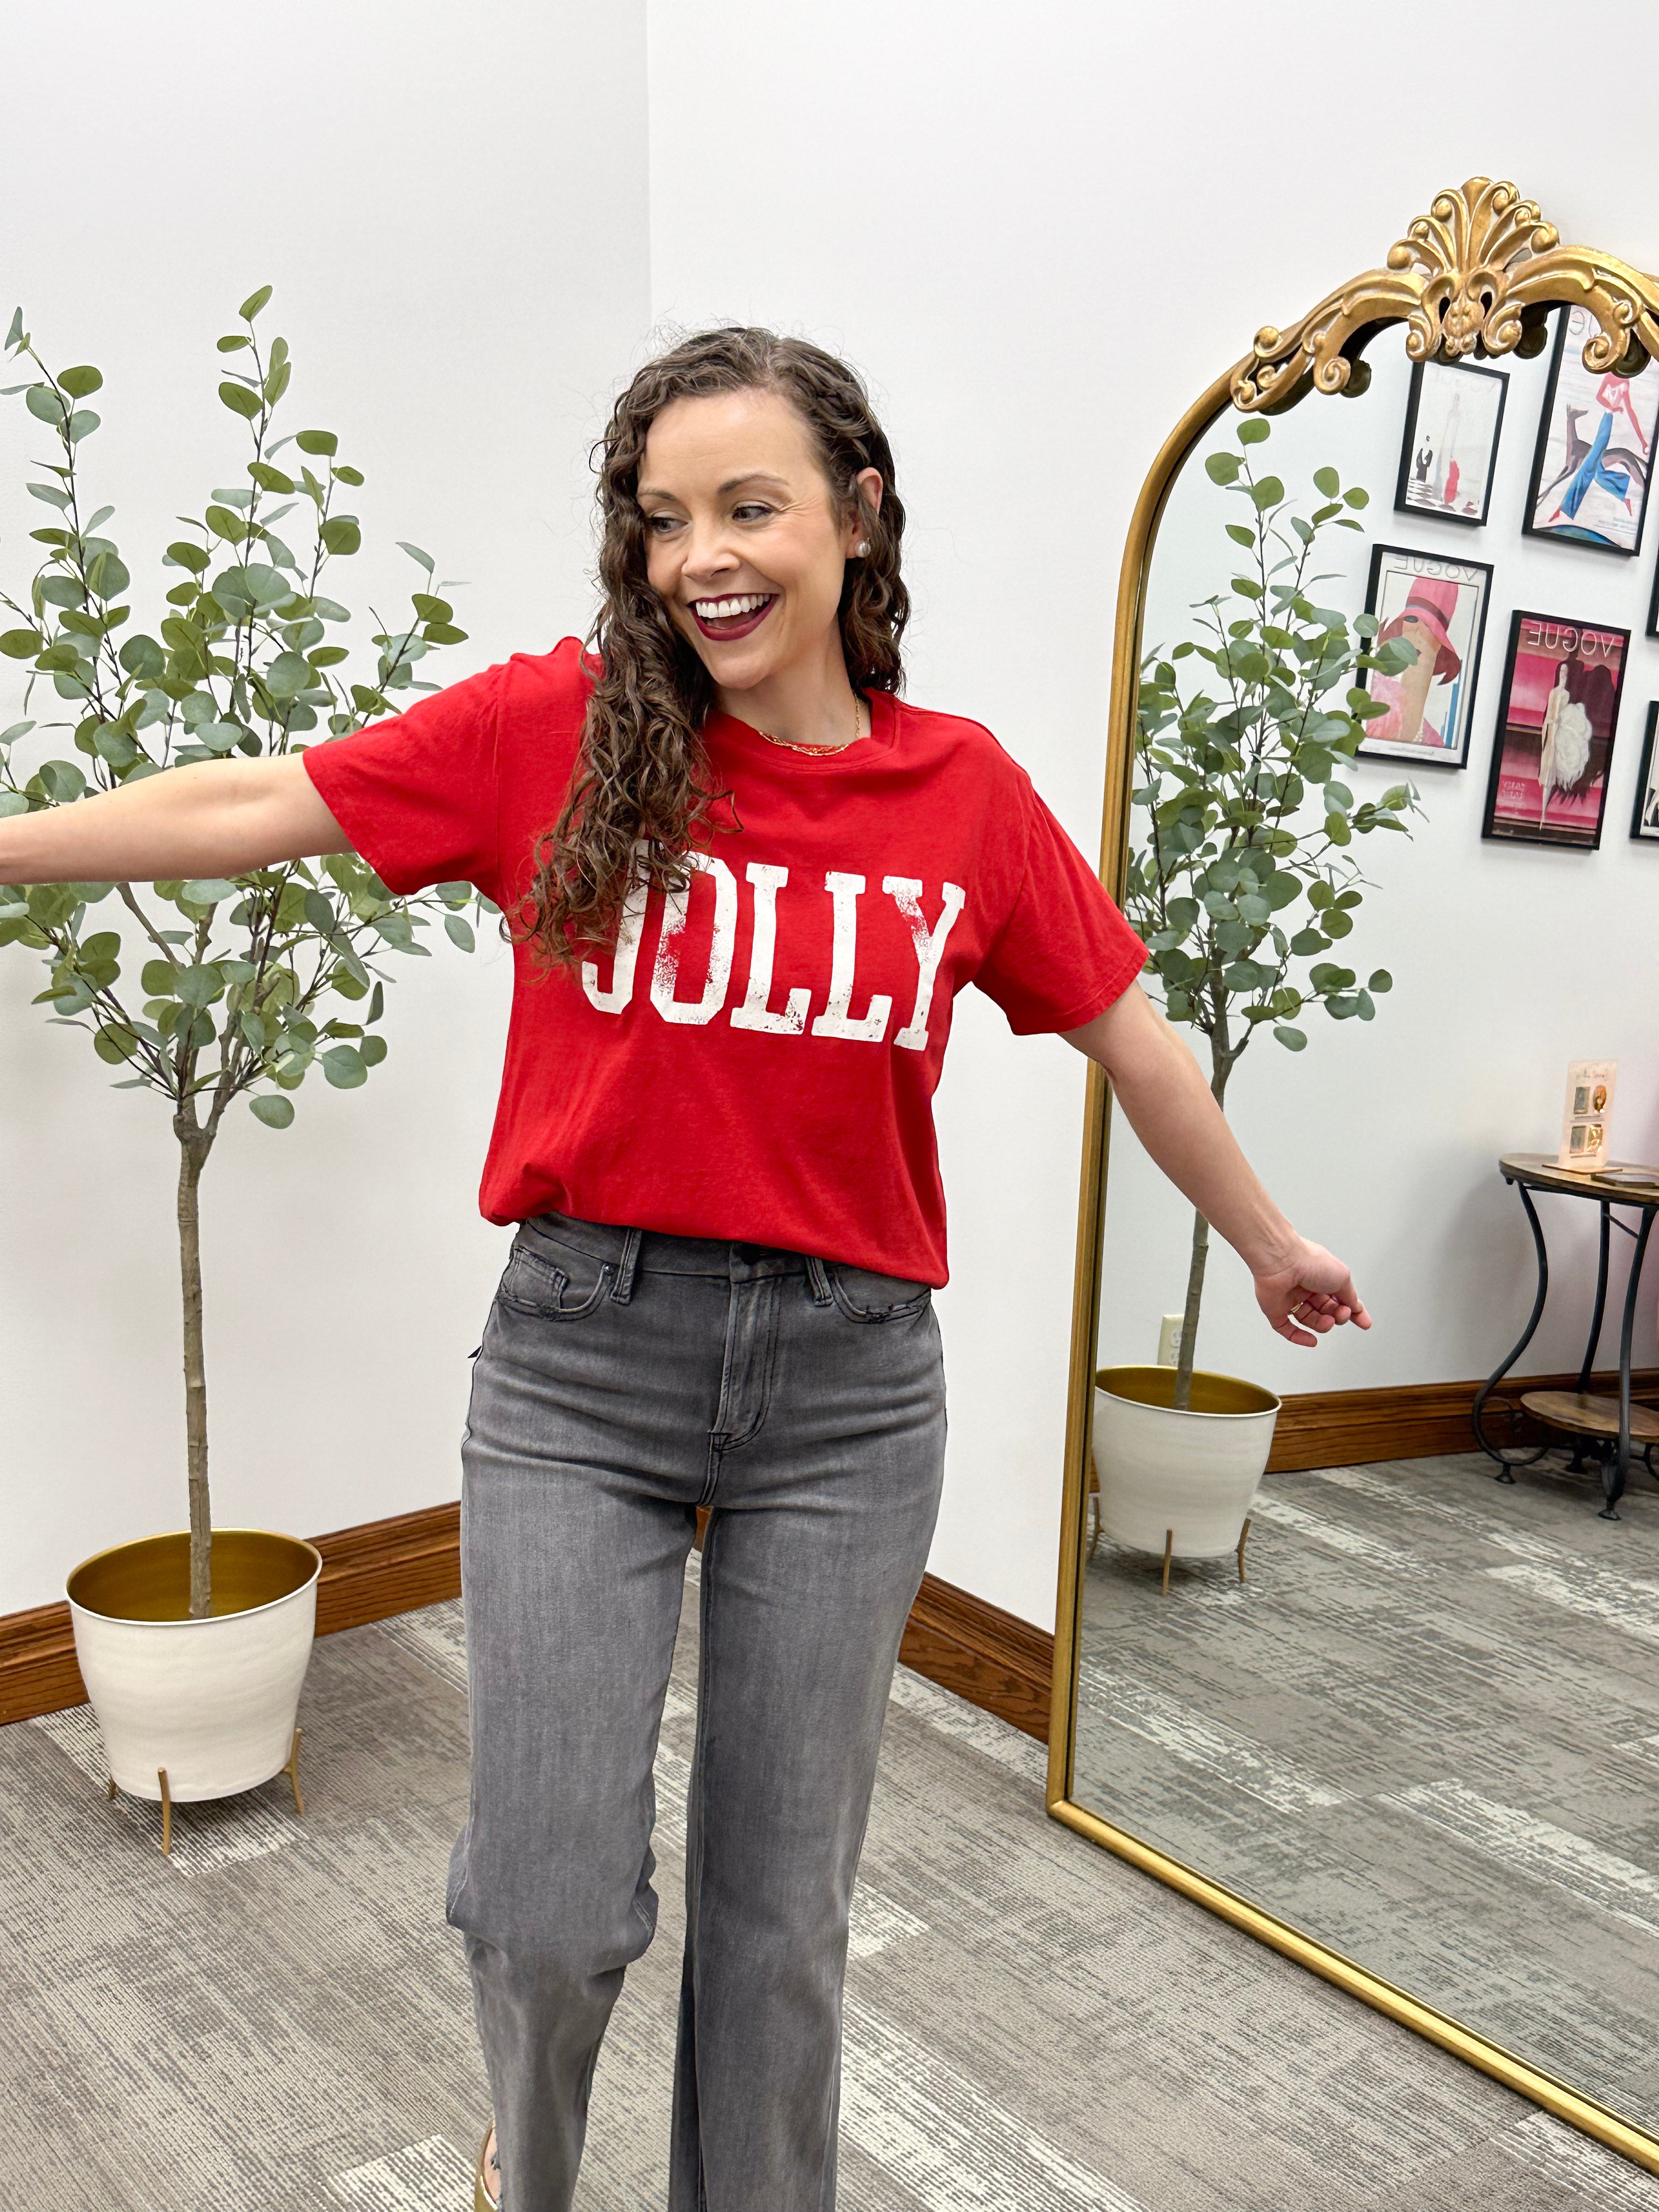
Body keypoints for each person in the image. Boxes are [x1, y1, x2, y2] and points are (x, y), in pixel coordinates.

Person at [0, 328, 1369, 2212]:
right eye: (661, 521)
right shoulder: (563, 732)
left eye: (747, 507)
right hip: (584, 1369)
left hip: (851, 1390)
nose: (700, 557)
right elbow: (266, 801)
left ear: (857, 515)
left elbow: (1137, 1037)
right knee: (554, 1908)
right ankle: (529, 2170)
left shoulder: (962, 798)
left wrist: (1270, 1241)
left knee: (781, 1922)